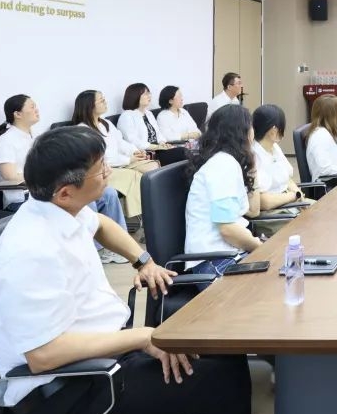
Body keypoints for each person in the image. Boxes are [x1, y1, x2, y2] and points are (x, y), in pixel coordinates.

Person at [0, 126, 252, 414]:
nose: (109, 172)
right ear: (65, 192)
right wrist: (143, 338)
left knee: (223, 349)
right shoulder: (29, 253)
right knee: (221, 378)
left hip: (104, 354)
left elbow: (101, 224)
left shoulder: (62, 209)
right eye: (101, 169)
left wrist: (144, 261)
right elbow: (44, 356)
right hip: (70, 387)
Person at [0, 94, 131, 263]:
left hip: (50, 189)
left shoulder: (37, 137)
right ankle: (93, 250)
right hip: (24, 197)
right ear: (17, 114)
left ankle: (117, 246)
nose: (37, 110)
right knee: (83, 199)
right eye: (32, 107)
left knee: (108, 193)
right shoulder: (4, 142)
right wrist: (51, 177)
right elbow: (10, 176)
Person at [185, 104, 261, 276]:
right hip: (214, 261)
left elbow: (254, 210)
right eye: (250, 127)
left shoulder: (228, 162)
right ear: (241, 132)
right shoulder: (223, 165)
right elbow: (227, 229)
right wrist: (261, 246)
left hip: (229, 254)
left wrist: (252, 167)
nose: (253, 132)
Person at [71, 90, 158, 219]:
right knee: (137, 177)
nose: (105, 102)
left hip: (121, 162)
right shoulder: (83, 130)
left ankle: (154, 208)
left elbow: (121, 142)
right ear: (89, 105)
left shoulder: (105, 122)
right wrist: (129, 159)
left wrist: (134, 151)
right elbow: (101, 159)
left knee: (153, 167)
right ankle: (142, 216)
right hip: (105, 169)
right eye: (101, 100)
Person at [250, 104, 305, 212]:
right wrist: (294, 196)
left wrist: (299, 195)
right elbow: (264, 202)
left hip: (287, 201)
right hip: (273, 211)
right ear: (273, 131)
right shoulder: (254, 156)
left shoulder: (274, 147)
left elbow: (287, 179)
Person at [306, 95, 337, 180]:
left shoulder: (331, 132)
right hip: (328, 183)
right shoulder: (319, 137)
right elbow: (325, 169)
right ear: (331, 115)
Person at [117, 83, 168, 152]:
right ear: (135, 96)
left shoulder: (149, 113)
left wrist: (162, 143)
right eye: (146, 94)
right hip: (145, 152)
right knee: (180, 152)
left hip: (158, 149)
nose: (149, 96)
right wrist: (156, 147)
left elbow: (158, 133)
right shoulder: (127, 116)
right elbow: (132, 140)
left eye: (149, 93)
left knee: (179, 150)